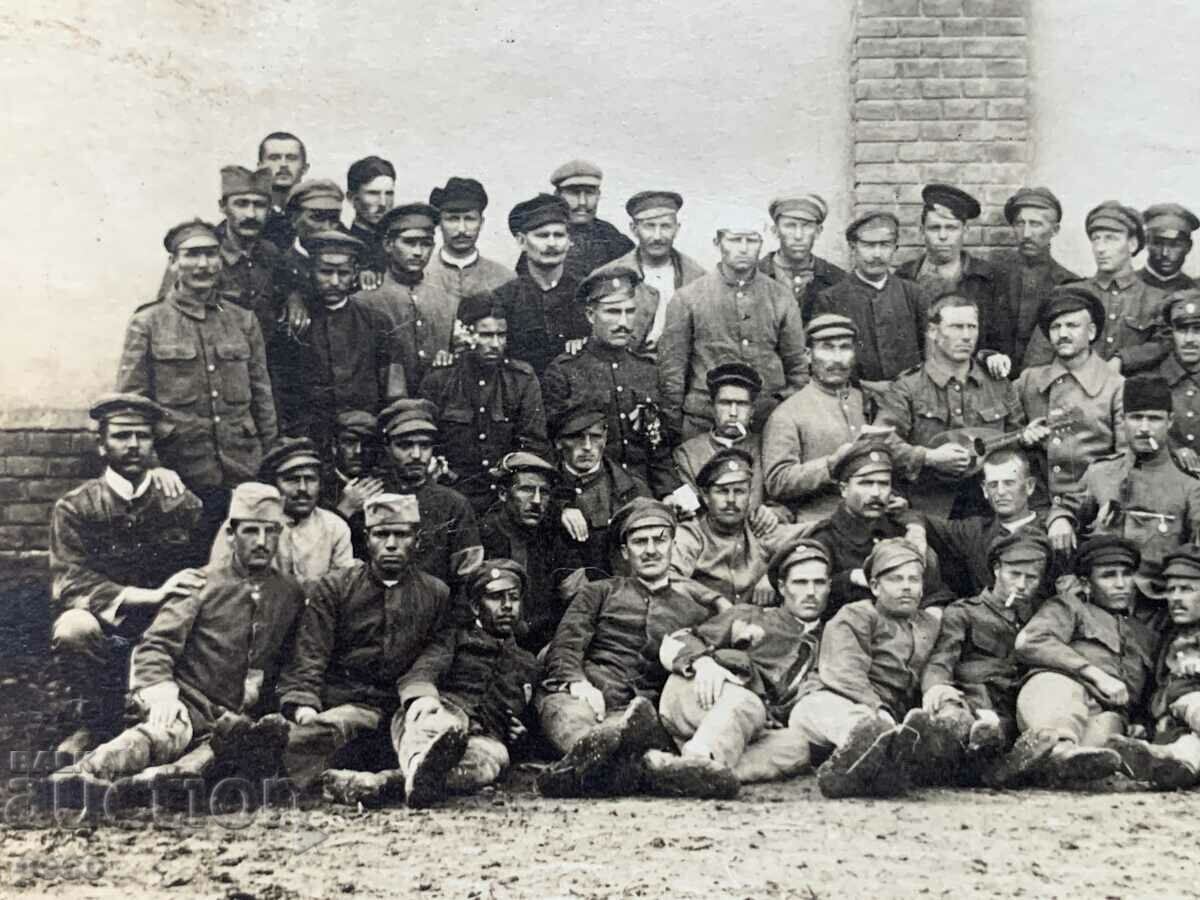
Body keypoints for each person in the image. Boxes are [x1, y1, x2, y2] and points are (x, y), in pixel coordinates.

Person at [47, 483, 304, 803]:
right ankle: (87, 773)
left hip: (234, 721)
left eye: (271, 531)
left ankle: (143, 787)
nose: (262, 542)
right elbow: (155, 647)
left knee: (226, 753)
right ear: (230, 535)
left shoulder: (289, 594)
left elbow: (292, 659)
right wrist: (163, 698)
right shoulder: (200, 584)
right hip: (188, 703)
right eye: (251, 531)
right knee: (166, 732)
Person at [536, 499, 736, 799]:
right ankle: (630, 764)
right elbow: (567, 643)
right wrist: (577, 683)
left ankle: (582, 775)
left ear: (672, 545)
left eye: (660, 540)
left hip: (648, 711)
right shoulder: (599, 592)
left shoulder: (695, 608)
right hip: (591, 697)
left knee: (639, 733)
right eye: (640, 542)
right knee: (567, 712)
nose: (651, 550)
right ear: (624, 552)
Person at [49, 394, 204, 755]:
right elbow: (70, 581)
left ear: (153, 443)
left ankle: (166, 722)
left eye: (142, 435)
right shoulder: (76, 506)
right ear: (101, 445)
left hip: (168, 630)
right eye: (121, 436)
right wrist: (147, 595)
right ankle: (95, 724)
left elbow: (203, 568)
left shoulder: (182, 503)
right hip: (109, 627)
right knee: (73, 627)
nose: (133, 445)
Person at [278, 494, 453, 791]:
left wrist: (420, 693)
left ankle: (405, 779)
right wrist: (304, 704)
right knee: (321, 729)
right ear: (367, 539)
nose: (391, 544)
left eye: (402, 535)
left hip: (402, 706)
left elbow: (438, 649)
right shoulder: (336, 587)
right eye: (381, 534)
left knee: (434, 731)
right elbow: (310, 652)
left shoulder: (435, 593)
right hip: (348, 702)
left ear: (417, 540)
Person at [116, 219, 277, 541]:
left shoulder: (242, 320)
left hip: (241, 470)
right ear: (174, 263)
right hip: (178, 473)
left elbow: (262, 398)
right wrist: (153, 466)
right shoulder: (148, 322)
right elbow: (131, 406)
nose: (203, 264)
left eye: (211, 254)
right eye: (192, 255)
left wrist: (269, 465)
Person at [658, 536, 832, 784]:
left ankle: (685, 771)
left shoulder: (832, 637)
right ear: (782, 587)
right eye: (801, 583)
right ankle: (700, 760)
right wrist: (702, 663)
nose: (811, 592)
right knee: (745, 702)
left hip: (748, 727)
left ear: (829, 586)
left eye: (819, 583)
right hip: (699, 693)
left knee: (797, 747)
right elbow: (677, 639)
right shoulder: (750, 616)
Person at [998, 536, 1158, 787]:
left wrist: (1140, 721)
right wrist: (1095, 674)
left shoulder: (1144, 635)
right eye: (1108, 576)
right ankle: (1056, 746)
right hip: (1057, 692)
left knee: (1100, 748)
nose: (1120, 584)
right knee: (1062, 702)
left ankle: (1042, 764)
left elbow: (1150, 690)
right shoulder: (1069, 607)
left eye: (1126, 574)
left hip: (1106, 712)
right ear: (1086, 583)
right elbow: (1030, 641)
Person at [789, 539, 942, 798]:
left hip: (887, 717)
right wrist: (878, 709)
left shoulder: (929, 625)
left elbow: (935, 668)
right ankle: (877, 751)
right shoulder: (856, 615)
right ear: (874, 586)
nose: (906, 587)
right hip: (827, 705)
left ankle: (866, 768)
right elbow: (843, 671)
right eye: (895, 579)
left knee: (906, 729)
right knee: (855, 721)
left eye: (913, 580)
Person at [389, 560, 541, 807]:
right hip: (443, 712)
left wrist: (522, 737)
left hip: (484, 736)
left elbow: (530, 721)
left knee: (491, 762)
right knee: (438, 727)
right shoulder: (454, 638)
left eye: (514, 598)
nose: (507, 606)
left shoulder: (527, 663)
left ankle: (403, 782)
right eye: (496, 598)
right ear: (475, 606)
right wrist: (425, 698)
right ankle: (418, 766)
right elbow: (423, 671)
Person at [1045, 375, 1200, 611]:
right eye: (1136, 418)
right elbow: (1067, 506)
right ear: (1123, 420)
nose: (1144, 428)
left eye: (1154, 419)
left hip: (1155, 610)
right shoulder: (1101, 473)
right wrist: (1060, 520)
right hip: (1099, 605)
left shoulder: (1190, 486)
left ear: (1170, 422)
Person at [876, 292, 1033, 518]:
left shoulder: (998, 384)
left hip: (991, 510)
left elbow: (1016, 440)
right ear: (933, 332)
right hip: (930, 510)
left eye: (972, 327)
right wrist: (928, 457)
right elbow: (881, 440)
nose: (967, 336)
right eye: (956, 327)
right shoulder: (908, 387)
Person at [917, 531, 1055, 784]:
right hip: (972, 700)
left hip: (1013, 711)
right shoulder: (964, 612)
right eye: (1015, 575)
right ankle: (960, 748)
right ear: (996, 570)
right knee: (954, 717)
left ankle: (991, 760)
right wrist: (936, 687)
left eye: (1032, 578)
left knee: (1026, 733)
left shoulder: (1040, 618)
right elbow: (942, 659)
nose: (1022, 585)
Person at [658, 210, 808, 440]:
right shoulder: (688, 298)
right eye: (735, 239)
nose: (744, 248)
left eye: (752, 240)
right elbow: (672, 371)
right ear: (718, 242)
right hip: (703, 420)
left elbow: (797, 367)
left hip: (766, 420)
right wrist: (674, 425)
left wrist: (779, 405)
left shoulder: (780, 297)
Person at [542, 266, 677, 497]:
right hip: (588, 492)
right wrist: (565, 503)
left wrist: (674, 495)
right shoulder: (565, 371)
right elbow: (550, 449)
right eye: (613, 312)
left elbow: (658, 448)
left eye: (629, 311)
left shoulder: (647, 371)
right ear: (590, 315)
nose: (623, 322)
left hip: (641, 491)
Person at [418, 291, 549, 513]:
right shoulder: (440, 380)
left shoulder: (521, 379)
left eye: (501, 335)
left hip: (504, 499)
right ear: (466, 334)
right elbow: (427, 441)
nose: (496, 344)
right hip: (453, 496)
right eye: (486, 335)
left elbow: (533, 444)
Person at [762, 314, 894, 524]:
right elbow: (777, 481)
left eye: (845, 348)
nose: (837, 358)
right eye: (827, 348)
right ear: (808, 354)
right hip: (821, 523)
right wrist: (830, 466)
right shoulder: (789, 413)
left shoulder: (869, 402)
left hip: (876, 519)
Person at [282, 230, 405, 448]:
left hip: (365, 438)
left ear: (355, 273)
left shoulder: (377, 322)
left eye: (343, 273)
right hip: (309, 440)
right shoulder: (294, 322)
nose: (335, 281)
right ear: (311, 271)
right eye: (325, 272)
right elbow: (281, 391)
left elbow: (394, 392)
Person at [1015, 283, 1126, 504]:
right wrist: (1022, 437)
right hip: (1036, 506)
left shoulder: (1115, 386)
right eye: (1056, 327)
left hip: (1092, 508)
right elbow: (1003, 433)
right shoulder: (1029, 380)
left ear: (1091, 332)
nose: (1063, 334)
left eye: (1072, 326)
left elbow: (1125, 461)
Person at [1027, 202, 1168, 374]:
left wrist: (1124, 359)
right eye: (1096, 239)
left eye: (1111, 238)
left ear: (1132, 244)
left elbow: (1165, 346)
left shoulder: (1157, 300)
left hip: (1131, 396)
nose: (1100, 248)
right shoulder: (1069, 294)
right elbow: (1036, 363)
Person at [805, 443, 944, 616]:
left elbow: (935, 595)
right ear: (843, 489)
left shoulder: (903, 533)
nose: (876, 493)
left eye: (883, 484)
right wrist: (849, 579)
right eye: (866, 483)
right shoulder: (824, 540)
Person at [1107, 544, 1200, 788]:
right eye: (1171, 590)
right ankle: (1167, 761)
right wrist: (1141, 722)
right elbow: (1153, 689)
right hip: (1175, 728)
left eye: (1187, 589)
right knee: (1187, 749)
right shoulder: (1166, 637)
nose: (1176, 598)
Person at [478, 452, 589, 653]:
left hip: (546, 647)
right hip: (487, 647)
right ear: (503, 493)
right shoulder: (482, 536)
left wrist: (559, 645)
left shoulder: (553, 538)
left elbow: (581, 600)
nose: (537, 500)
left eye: (544, 492)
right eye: (527, 489)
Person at [670, 448, 807, 608]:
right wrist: (714, 599)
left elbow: (820, 532)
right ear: (706, 497)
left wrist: (773, 574)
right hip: (708, 625)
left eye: (739, 491)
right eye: (722, 491)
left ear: (750, 495)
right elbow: (669, 576)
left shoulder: (759, 527)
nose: (731, 500)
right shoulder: (693, 534)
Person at [896, 184, 1013, 365]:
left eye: (951, 228)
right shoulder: (904, 277)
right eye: (935, 228)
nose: (943, 236)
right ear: (922, 232)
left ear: (965, 231)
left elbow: (999, 341)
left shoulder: (987, 278)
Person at [918, 448, 1056, 599]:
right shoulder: (973, 531)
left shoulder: (1054, 528)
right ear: (984, 490)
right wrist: (915, 527)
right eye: (993, 485)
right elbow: (918, 517)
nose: (1001, 492)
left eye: (1009, 483)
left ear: (1029, 486)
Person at [210, 437, 353, 582]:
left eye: (310, 479)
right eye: (292, 480)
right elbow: (218, 580)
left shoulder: (335, 527)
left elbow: (343, 586)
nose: (302, 488)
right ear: (274, 484)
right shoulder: (244, 524)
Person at [374, 399, 483, 587]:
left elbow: (468, 576)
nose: (416, 455)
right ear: (388, 447)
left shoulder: (453, 504)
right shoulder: (372, 497)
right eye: (405, 445)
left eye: (424, 446)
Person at [810, 211, 928, 383]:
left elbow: (929, 354)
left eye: (885, 245)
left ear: (895, 247)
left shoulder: (914, 294)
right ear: (853, 247)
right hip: (854, 397)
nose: (877, 254)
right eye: (868, 245)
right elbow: (825, 359)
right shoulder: (831, 299)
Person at [358, 203, 460, 395]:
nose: (418, 252)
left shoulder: (448, 302)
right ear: (388, 245)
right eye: (410, 242)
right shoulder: (364, 302)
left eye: (426, 244)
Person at [590, 190, 705, 353]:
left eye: (665, 226)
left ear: (677, 229)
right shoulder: (611, 275)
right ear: (634, 229)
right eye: (649, 226)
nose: (657, 236)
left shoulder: (697, 276)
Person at [494, 194, 590, 375]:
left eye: (559, 235)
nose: (552, 243)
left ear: (569, 241)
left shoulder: (586, 293)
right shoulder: (505, 298)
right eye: (542, 236)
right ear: (522, 241)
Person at [551, 400, 650, 574]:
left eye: (595, 437)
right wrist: (559, 508)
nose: (587, 447)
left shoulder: (633, 489)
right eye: (576, 437)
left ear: (605, 439)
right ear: (558, 442)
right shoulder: (544, 491)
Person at [673, 362, 774, 515]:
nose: (733, 413)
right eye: (725, 403)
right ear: (713, 408)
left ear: (752, 411)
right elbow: (690, 511)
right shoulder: (688, 454)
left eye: (741, 404)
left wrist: (774, 513)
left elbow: (782, 499)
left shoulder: (766, 447)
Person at [999, 187, 1081, 373]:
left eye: (1036, 224)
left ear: (1055, 230)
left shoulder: (1068, 284)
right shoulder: (995, 276)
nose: (1026, 233)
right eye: (1020, 223)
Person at [515, 159, 634, 280]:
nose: (582, 202)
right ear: (558, 195)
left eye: (589, 193)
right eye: (574, 193)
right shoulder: (542, 237)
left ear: (598, 195)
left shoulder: (612, 236)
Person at [758, 192, 845, 323]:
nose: (798, 235)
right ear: (775, 231)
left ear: (818, 231)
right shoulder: (753, 275)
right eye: (790, 226)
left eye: (807, 225)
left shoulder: (837, 279)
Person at [424, 177, 514, 304]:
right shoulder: (422, 273)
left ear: (481, 223)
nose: (462, 229)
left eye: (470, 219)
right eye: (453, 219)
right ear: (439, 223)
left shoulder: (505, 278)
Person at [1153, 290, 1200, 466]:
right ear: (1170, 332)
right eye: (1181, 330)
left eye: (1198, 330)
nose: (1190, 340)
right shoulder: (1151, 381)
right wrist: (1171, 450)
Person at [318, 410, 385, 525]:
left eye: (367, 444)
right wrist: (345, 508)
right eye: (350, 443)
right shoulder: (320, 487)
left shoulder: (385, 485)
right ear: (334, 446)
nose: (358, 451)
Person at [345, 155, 396, 280]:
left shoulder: (398, 244)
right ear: (352, 198)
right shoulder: (345, 249)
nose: (383, 203)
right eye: (373, 193)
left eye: (389, 194)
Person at [256, 131, 310, 250]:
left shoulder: (316, 216)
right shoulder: (250, 215)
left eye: (291, 158)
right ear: (260, 167)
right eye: (274, 158)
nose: (283, 165)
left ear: (305, 168)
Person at [1139, 203, 1198, 293]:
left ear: (1188, 247)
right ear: (1146, 243)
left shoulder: (1195, 292)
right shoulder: (1123, 287)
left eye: (1174, 245)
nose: (1165, 253)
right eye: (1158, 244)